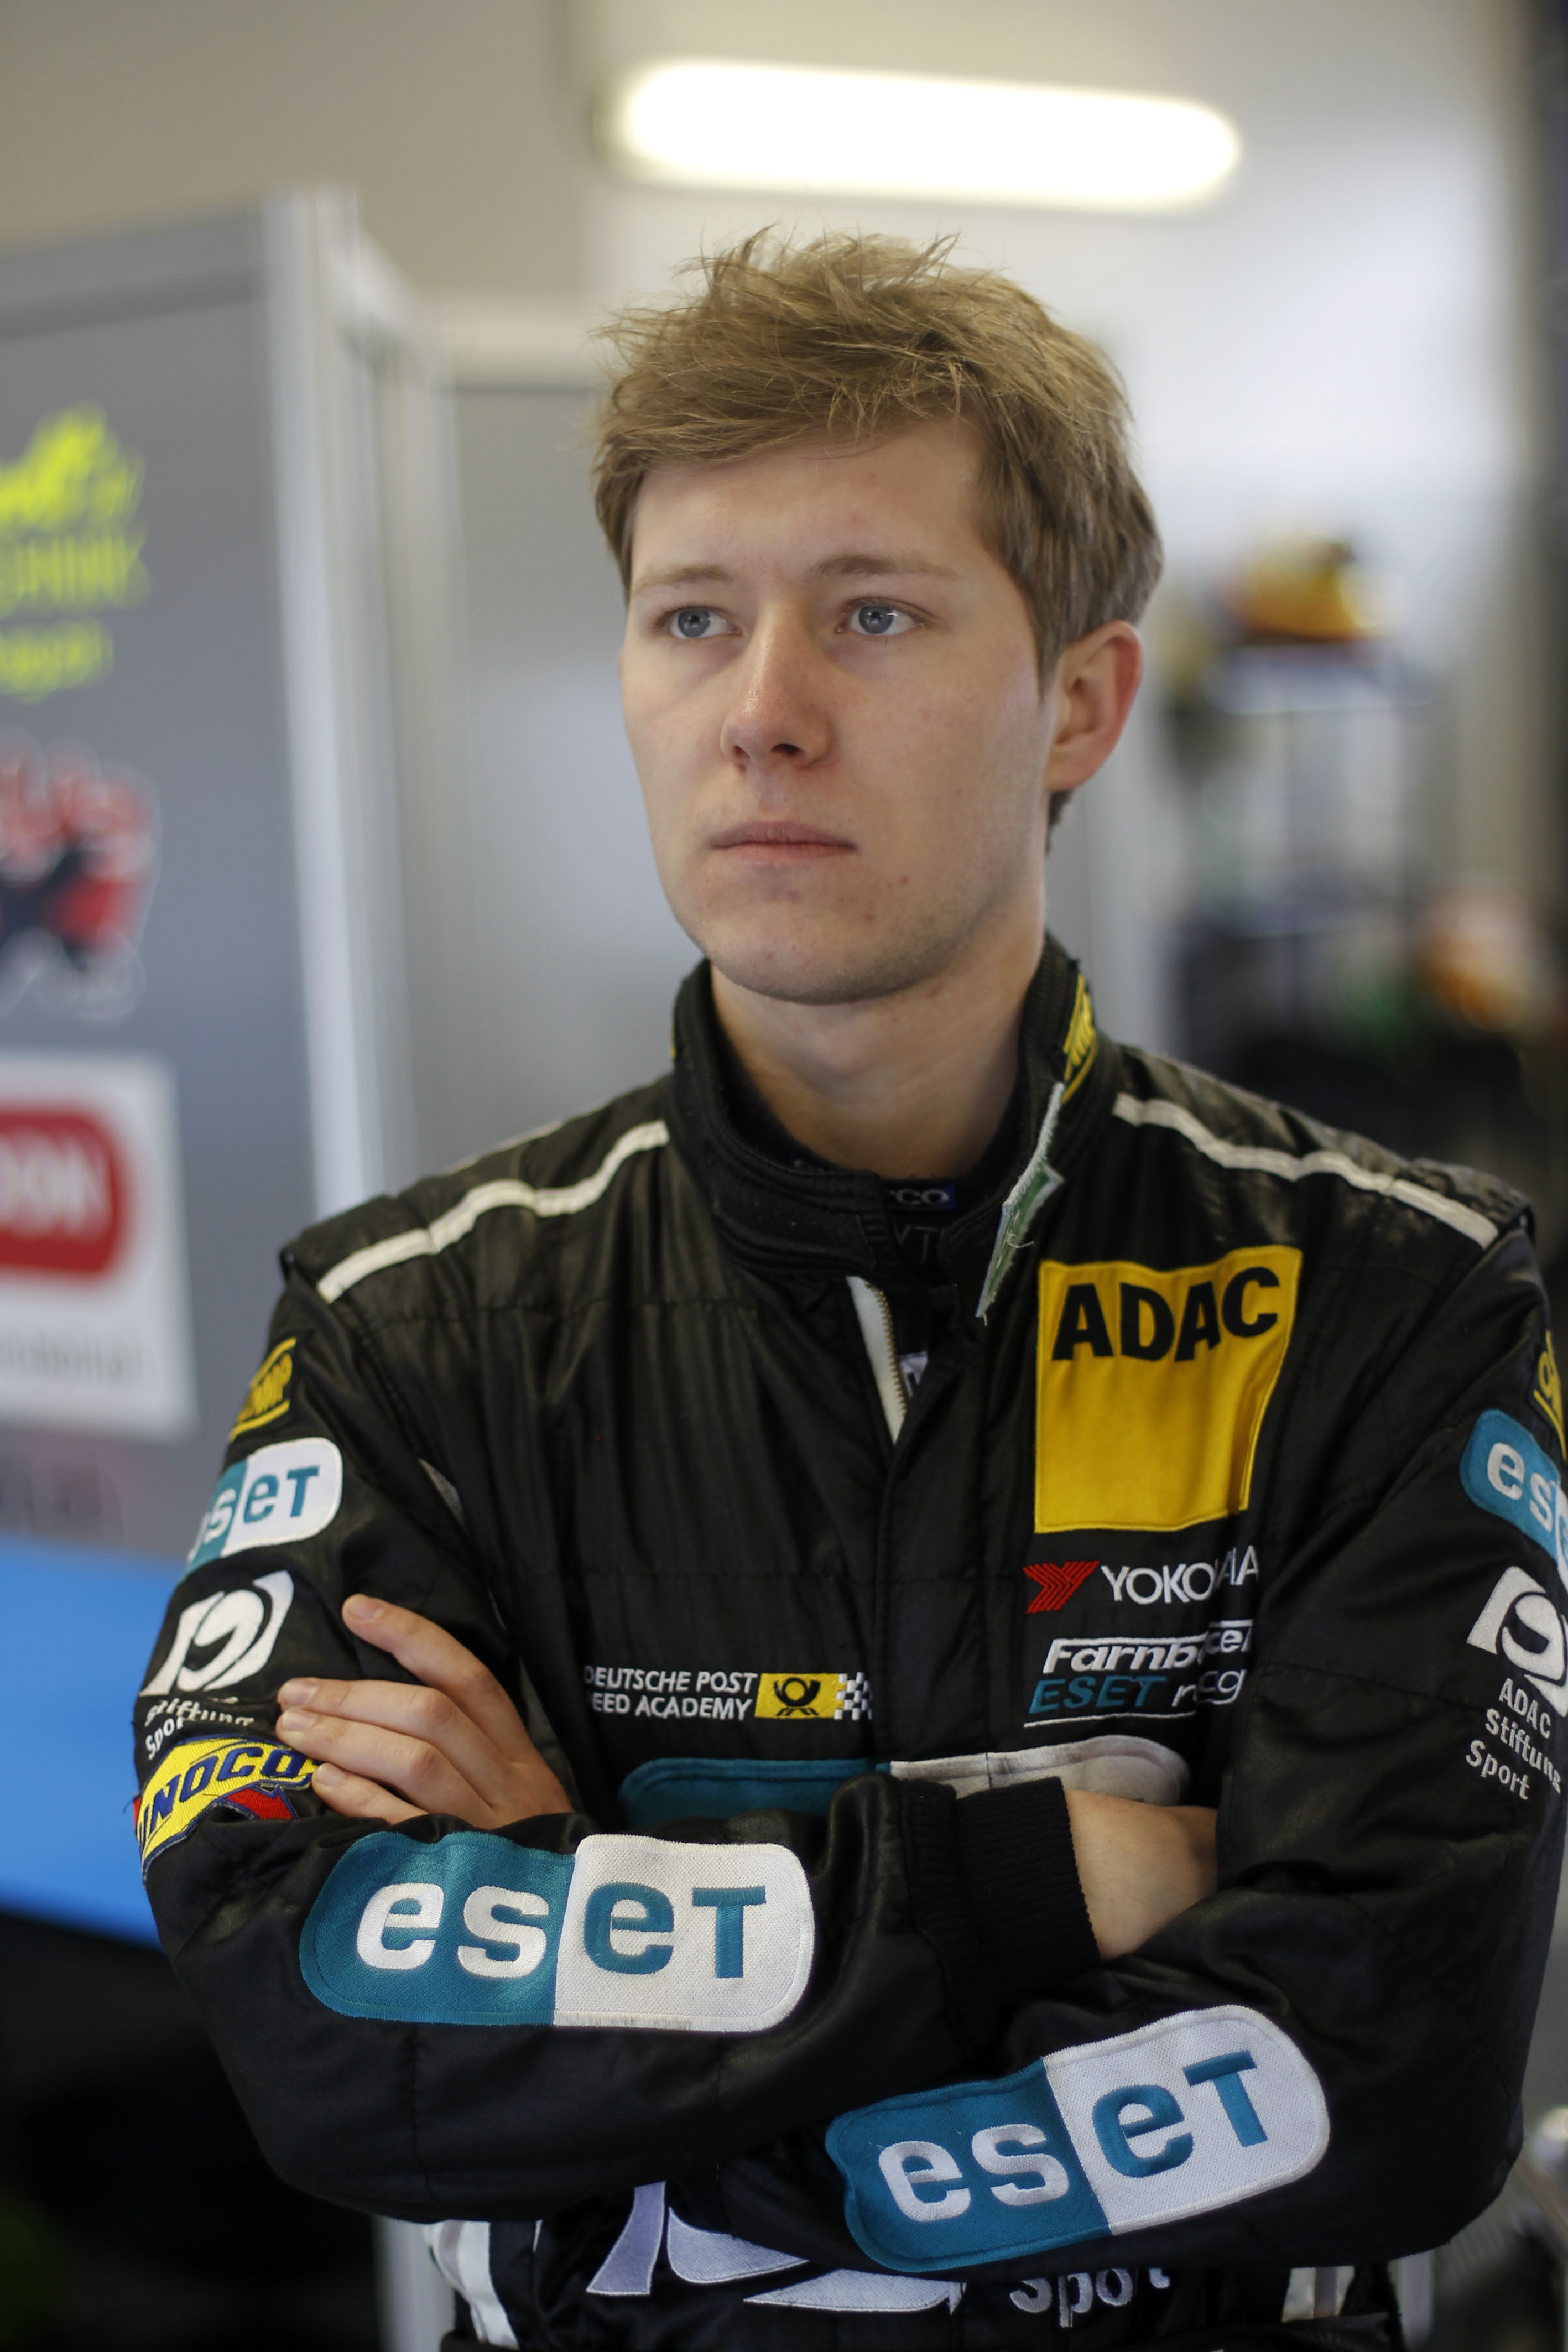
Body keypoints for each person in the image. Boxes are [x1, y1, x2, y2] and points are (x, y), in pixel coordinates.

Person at [133, 233, 1564, 2350]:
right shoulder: (409, 1330)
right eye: (691, 618)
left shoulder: (1391, 1292)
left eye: (873, 613)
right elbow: (323, 2019)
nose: (762, 714)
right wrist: (1039, 1882)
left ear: (1080, 698)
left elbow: (1385, 2066)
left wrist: (603, 1954)